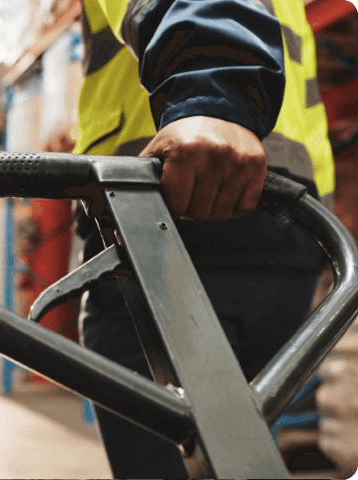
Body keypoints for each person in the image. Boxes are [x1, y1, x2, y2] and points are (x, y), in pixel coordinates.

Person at [73, 0, 335, 477]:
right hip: (291, 222)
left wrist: (211, 94)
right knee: (242, 450)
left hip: (163, 201)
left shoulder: (213, 98)